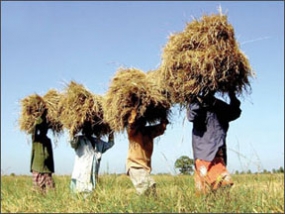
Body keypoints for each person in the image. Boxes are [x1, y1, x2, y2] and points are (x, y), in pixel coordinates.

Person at [187, 90, 241, 194]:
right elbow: (191, 116)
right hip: (204, 155)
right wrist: (198, 100)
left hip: (218, 154)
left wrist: (232, 94)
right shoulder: (197, 105)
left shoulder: (218, 105)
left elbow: (234, 112)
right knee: (205, 191)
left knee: (223, 188)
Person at [126, 109, 169, 196]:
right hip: (135, 166)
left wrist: (164, 115)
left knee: (150, 189)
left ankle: (147, 207)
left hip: (144, 168)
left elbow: (161, 128)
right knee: (147, 188)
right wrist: (135, 109)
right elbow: (131, 123)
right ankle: (143, 207)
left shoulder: (149, 131)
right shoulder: (133, 132)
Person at [70, 122, 114, 196]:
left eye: (90, 127)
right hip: (78, 178)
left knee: (89, 201)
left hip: (91, 179)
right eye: (86, 127)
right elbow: (72, 142)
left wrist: (111, 131)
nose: (88, 129)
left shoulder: (99, 142)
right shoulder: (79, 140)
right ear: (83, 129)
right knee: (75, 201)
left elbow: (110, 143)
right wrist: (72, 129)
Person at [30, 110, 55, 193]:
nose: (45, 130)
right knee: (37, 190)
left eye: (46, 128)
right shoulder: (36, 139)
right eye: (43, 128)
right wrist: (39, 116)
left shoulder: (48, 140)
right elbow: (33, 130)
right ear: (40, 129)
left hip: (47, 169)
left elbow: (51, 155)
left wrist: (51, 169)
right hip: (37, 167)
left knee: (51, 189)